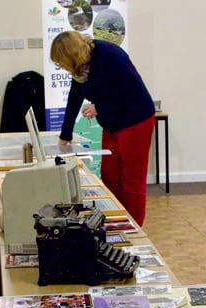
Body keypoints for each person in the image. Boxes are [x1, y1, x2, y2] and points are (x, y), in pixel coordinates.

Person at [50, 31, 155, 226]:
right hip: (112, 123)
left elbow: (132, 93)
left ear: (70, 56)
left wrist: (100, 107)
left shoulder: (110, 56)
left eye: (60, 62)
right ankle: (116, 220)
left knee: (132, 181)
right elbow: (74, 97)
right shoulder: (80, 68)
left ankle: (133, 229)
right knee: (110, 175)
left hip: (136, 120)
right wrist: (66, 133)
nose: (61, 68)